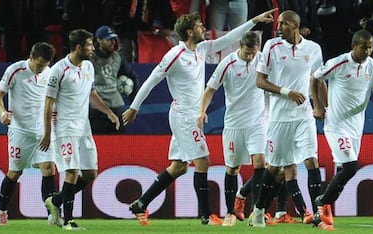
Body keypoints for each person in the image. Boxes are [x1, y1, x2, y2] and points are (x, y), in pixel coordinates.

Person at [122, 9, 276, 226]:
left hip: (191, 115)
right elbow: (151, 80)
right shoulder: (174, 55)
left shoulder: (202, 49)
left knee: (179, 167)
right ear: (188, 31)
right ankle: (206, 216)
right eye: (199, 25)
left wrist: (254, 21)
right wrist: (134, 107)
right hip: (184, 116)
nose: (203, 27)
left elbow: (229, 39)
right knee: (203, 161)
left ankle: (141, 203)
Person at [39, 29, 120, 230]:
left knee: (90, 174)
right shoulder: (59, 70)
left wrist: (108, 112)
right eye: (89, 45)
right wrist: (48, 133)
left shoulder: (89, 67)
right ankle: (68, 221)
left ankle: (55, 201)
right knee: (71, 172)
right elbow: (48, 102)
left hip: (84, 127)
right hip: (65, 128)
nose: (93, 48)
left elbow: (92, 94)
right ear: (78, 47)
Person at [251, 10, 322, 228]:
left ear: (293, 25)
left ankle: (320, 212)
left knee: (312, 160)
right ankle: (258, 210)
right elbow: (260, 81)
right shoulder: (271, 46)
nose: (278, 27)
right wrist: (286, 92)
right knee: (274, 168)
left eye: (282, 24)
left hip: (303, 116)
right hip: (279, 117)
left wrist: (319, 105)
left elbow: (317, 79)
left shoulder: (313, 49)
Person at [310, 29, 373, 230]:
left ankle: (321, 212)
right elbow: (315, 78)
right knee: (352, 166)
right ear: (354, 46)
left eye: (370, 47)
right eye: (364, 47)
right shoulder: (340, 63)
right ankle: (322, 203)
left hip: (356, 127)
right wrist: (317, 106)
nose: (368, 51)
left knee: (346, 170)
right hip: (336, 125)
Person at [197, 31, 268, 227]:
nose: (250, 57)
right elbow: (210, 90)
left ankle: (257, 210)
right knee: (233, 168)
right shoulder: (227, 64)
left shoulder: (262, 60)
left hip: (257, 122)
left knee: (261, 162)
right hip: (234, 124)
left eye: (253, 53)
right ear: (240, 47)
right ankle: (230, 212)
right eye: (247, 53)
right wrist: (202, 111)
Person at [0, 42, 60, 226]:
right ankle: (1, 211)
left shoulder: (50, 73)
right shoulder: (15, 70)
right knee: (15, 172)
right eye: (39, 64)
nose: (41, 68)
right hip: (20, 130)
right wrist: (2, 113)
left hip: (42, 130)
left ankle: (52, 215)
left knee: (48, 168)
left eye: (45, 65)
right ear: (31, 57)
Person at [89, 25, 139, 134]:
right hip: (95, 108)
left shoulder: (117, 58)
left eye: (113, 39)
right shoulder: (89, 59)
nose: (113, 42)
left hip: (116, 106)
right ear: (99, 40)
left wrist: (134, 104)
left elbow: (133, 76)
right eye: (109, 40)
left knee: (119, 143)